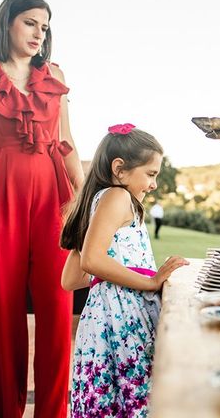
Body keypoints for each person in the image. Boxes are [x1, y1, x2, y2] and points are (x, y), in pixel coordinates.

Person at [0, 0, 84, 416]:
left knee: (57, 312)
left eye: (45, 25)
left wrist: (85, 197)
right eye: (30, 22)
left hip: (53, 197)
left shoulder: (53, 73)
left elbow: (67, 140)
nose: (40, 32)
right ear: (8, 22)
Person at [60, 124, 188, 417]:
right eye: (151, 174)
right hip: (123, 320)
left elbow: (70, 279)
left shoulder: (100, 202)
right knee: (136, 398)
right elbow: (91, 261)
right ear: (119, 168)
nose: (154, 184)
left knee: (112, 401)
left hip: (102, 322)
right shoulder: (116, 197)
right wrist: (150, 280)